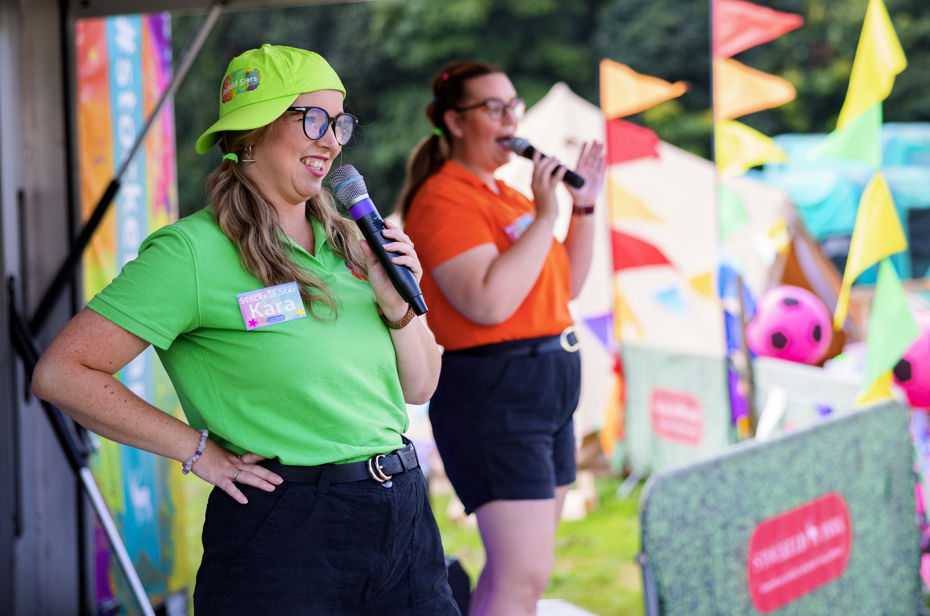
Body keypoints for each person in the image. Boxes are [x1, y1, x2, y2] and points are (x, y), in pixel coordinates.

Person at [32, 45, 461, 616]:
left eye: (339, 123)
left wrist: (396, 304)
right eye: (312, 118)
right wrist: (197, 451)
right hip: (287, 526)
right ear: (253, 131)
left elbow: (421, 386)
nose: (331, 140)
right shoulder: (190, 251)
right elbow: (63, 372)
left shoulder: (355, 243)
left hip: (400, 509)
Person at [398, 61, 605, 616]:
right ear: (454, 121)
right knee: (521, 574)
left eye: (514, 104)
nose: (511, 118)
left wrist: (580, 209)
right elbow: (486, 303)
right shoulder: (444, 199)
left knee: (524, 577)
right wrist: (545, 217)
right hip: (496, 391)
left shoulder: (507, 195)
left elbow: (571, 283)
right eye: (494, 107)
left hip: (546, 386)